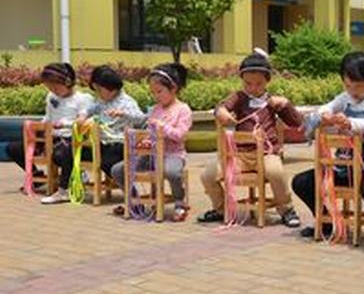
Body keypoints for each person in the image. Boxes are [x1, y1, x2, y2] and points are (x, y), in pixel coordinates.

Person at [292, 51, 364, 238]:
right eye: (348, 86)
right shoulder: (345, 97)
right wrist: (324, 114)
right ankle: (327, 222)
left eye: (359, 86)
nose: (353, 91)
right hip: (342, 167)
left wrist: (349, 123)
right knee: (302, 182)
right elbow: (327, 107)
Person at [197, 49, 303, 227]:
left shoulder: (272, 102)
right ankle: (221, 208)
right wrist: (221, 112)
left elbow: (296, 123)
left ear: (267, 81)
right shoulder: (239, 98)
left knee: (276, 172)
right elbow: (221, 107)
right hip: (240, 156)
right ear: (242, 80)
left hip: (267, 154)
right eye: (248, 83)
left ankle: (286, 209)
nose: (253, 88)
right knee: (207, 175)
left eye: (258, 84)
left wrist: (286, 105)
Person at [41, 65, 145, 204]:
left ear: (111, 88)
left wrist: (123, 113)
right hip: (99, 145)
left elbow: (141, 118)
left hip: (118, 145)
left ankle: (133, 196)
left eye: (100, 90)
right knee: (67, 150)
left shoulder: (127, 102)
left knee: (109, 164)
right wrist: (83, 116)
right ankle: (64, 191)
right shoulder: (101, 101)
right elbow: (90, 109)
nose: (98, 94)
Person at [111, 63, 193, 222]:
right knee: (118, 170)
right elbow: (150, 131)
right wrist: (146, 141)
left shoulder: (183, 110)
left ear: (173, 88)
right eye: (153, 92)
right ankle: (135, 201)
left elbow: (180, 135)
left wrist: (163, 128)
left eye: (159, 91)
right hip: (152, 155)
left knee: (172, 172)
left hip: (172, 154)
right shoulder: (156, 109)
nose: (156, 96)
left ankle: (179, 202)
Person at [6, 63, 93, 197]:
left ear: (68, 82)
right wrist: (38, 125)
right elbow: (48, 117)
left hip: (70, 139)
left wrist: (64, 124)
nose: (53, 90)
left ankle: (74, 176)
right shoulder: (51, 97)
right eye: (50, 87)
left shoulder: (83, 99)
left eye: (56, 87)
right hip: (49, 136)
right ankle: (36, 176)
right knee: (14, 148)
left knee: (60, 154)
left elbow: (85, 122)